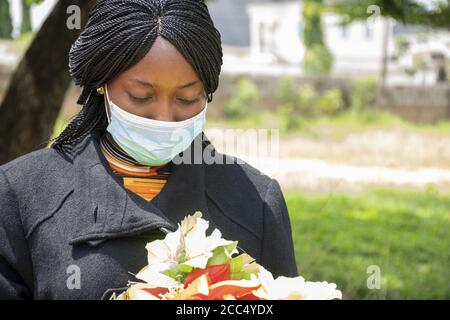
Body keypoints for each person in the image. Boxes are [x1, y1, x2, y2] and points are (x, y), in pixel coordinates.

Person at [0, 0, 297, 300]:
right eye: (141, 96)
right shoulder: (21, 196)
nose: (164, 118)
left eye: (187, 98)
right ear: (102, 83)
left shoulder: (254, 200)